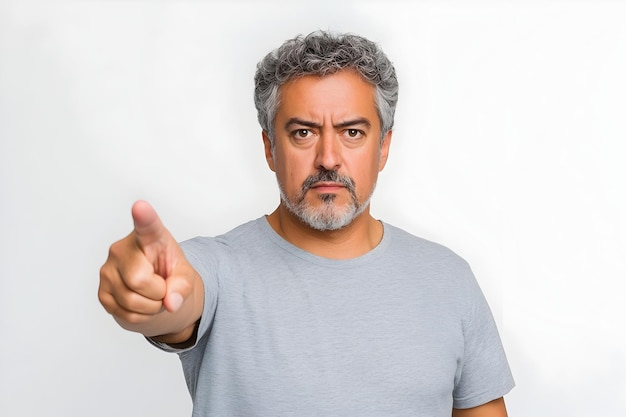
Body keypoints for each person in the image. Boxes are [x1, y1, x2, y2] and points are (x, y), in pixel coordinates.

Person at [99, 31, 514, 416]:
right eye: (303, 133)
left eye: (352, 132)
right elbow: (179, 301)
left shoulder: (448, 279)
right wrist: (149, 295)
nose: (329, 157)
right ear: (269, 148)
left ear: (383, 147)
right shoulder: (217, 270)